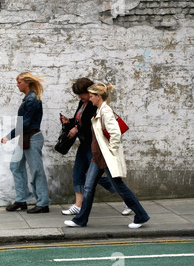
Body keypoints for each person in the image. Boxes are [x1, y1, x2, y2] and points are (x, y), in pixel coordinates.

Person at [64, 83, 150, 228]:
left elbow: (116, 134)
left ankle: (141, 215)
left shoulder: (106, 111)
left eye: (91, 96)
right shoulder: (99, 110)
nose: (90, 99)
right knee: (88, 187)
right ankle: (80, 220)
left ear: (98, 96)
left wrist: (111, 152)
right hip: (97, 157)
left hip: (105, 157)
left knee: (119, 187)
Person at [59, 78, 120, 215]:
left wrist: (77, 130)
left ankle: (128, 200)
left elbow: (91, 126)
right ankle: (78, 205)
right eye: (78, 94)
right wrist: (68, 122)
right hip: (84, 143)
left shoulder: (95, 105)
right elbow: (78, 122)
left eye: (82, 94)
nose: (80, 97)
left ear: (89, 92)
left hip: (94, 145)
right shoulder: (82, 103)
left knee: (102, 178)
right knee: (78, 172)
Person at [1, 72, 52, 213]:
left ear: (27, 83)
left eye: (19, 82)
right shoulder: (27, 98)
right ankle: (22, 199)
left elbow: (25, 122)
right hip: (24, 137)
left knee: (36, 169)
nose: (17, 85)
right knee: (15, 166)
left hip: (32, 137)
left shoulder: (32, 100)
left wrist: (9, 136)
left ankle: (43, 203)